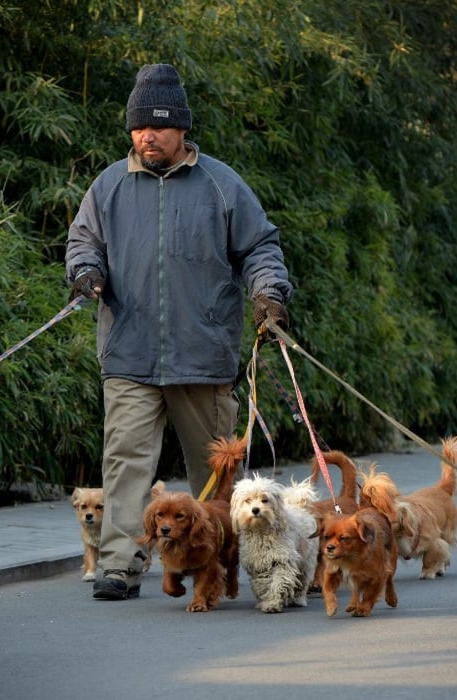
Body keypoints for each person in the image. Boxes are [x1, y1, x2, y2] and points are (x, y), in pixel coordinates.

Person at [64, 63, 293, 601]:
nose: (148, 136)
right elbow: (81, 243)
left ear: (182, 130)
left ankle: (238, 561)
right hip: (129, 352)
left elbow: (260, 248)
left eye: (159, 127)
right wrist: (86, 272)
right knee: (124, 465)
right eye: (139, 128)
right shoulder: (108, 187)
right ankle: (119, 566)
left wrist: (268, 295)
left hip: (203, 355)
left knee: (217, 476)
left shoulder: (221, 184)